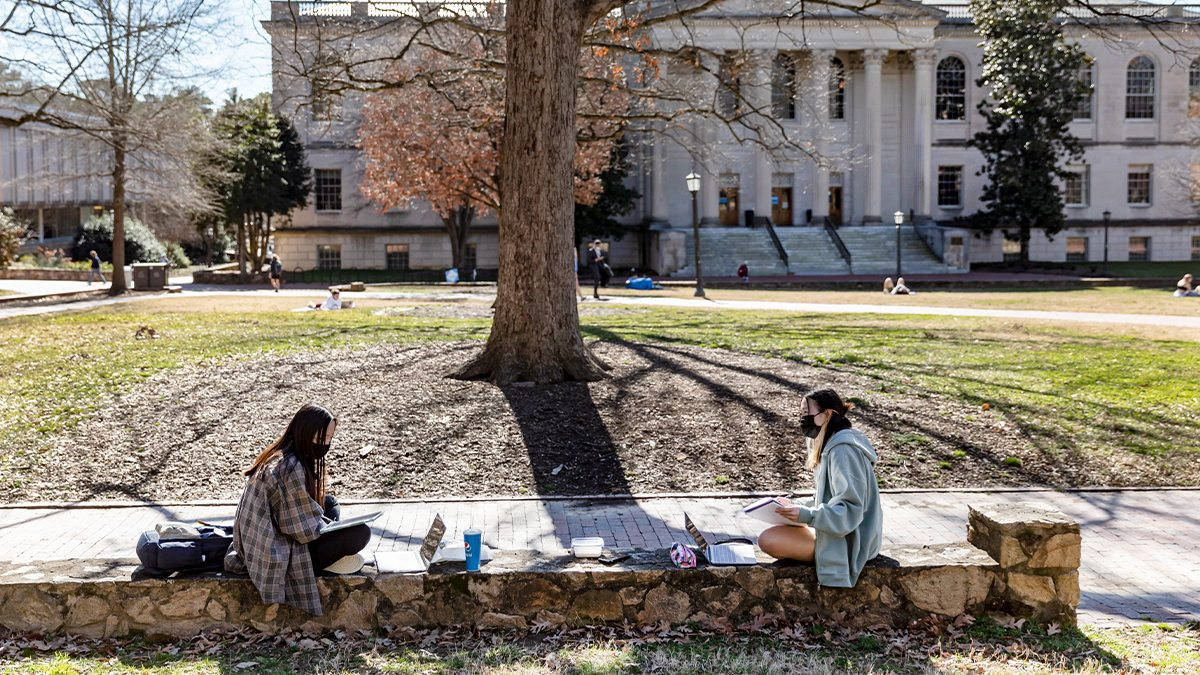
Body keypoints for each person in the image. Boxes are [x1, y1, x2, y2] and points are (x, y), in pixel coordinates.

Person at [224, 404, 371, 616]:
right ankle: (329, 560)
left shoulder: (281, 455)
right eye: (321, 440)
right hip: (277, 553)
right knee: (361, 533)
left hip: (265, 541)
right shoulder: (290, 468)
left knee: (329, 503)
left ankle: (333, 551)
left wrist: (325, 521)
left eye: (329, 439)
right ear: (304, 433)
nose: (325, 445)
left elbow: (300, 514)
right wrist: (330, 527)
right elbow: (301, 531)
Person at [757, 389, 883, 589]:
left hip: (853, 541)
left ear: (828, 414)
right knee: (776, 532)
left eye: (808, 414)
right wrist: (795, 506)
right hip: (841, 532)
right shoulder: (833, 443)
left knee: (769, 540)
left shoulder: (843, 451)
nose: (803, 419)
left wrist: (807, 515)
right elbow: (829, 497)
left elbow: (851, 510)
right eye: (801, 414)